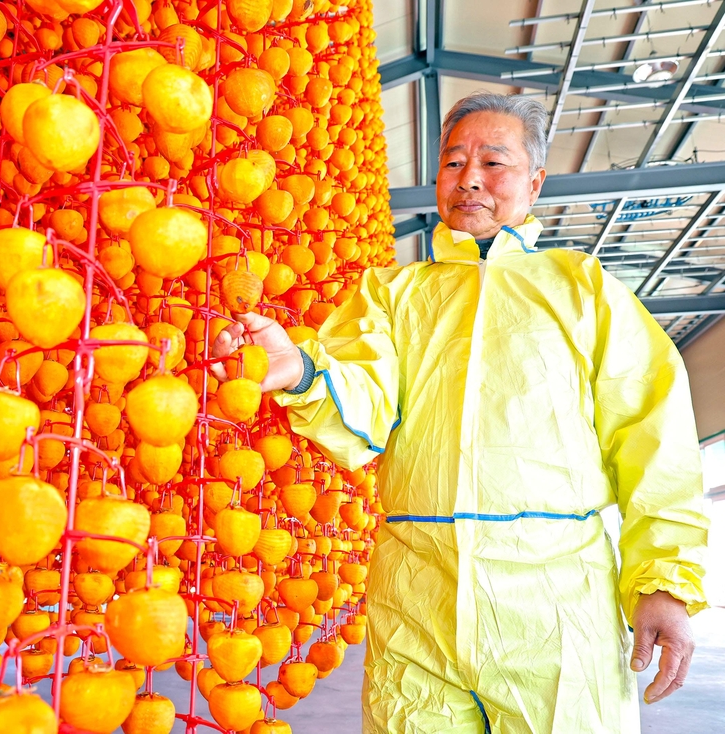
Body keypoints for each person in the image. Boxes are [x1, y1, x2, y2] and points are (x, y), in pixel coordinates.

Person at [211, 92, 710, 733]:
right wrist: (303, 371)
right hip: (416, 602)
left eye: (493, 162)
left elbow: (654, 440)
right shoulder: (391, 294)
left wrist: (662, 582)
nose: (469, 177)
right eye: (452, 162)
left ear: (534, 182)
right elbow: (363, 410)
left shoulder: (584, 289)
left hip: (557, 607)